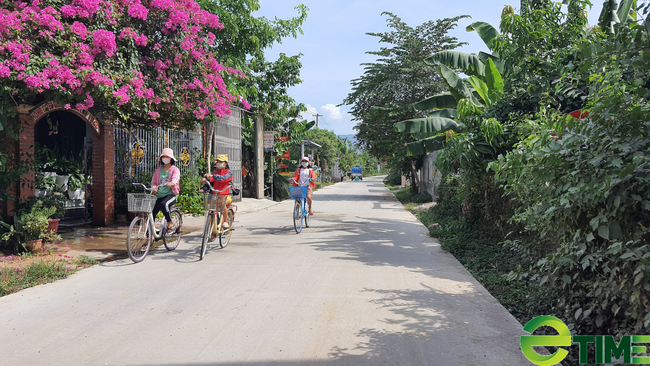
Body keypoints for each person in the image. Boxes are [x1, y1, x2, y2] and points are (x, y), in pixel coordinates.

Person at [201, 154, 233, 237]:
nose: (218, 163)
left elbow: (222, 179)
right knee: (211, 209)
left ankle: (225, 222)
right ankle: (212, 231)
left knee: (222, 203)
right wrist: (205, 179)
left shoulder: (229, 172)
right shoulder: (215, 172)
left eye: (220, 162)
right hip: (216, 195)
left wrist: (212, 176)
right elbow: (211, 179)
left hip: (226, 195)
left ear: (225, 163)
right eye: (217, 162)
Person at [151, 148, 180, 233]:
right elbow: (154, 182)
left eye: (167, 156)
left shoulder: (175, 169)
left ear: (171, 158)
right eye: (163, 156)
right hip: (159, 195)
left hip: (170, 195)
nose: (165, 158)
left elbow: (175, 179)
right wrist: (154, 188)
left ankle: (170, 223)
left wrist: (171, 183)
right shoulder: (158, 170)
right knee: (151, 213)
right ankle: (149, 238)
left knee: (164, 204)